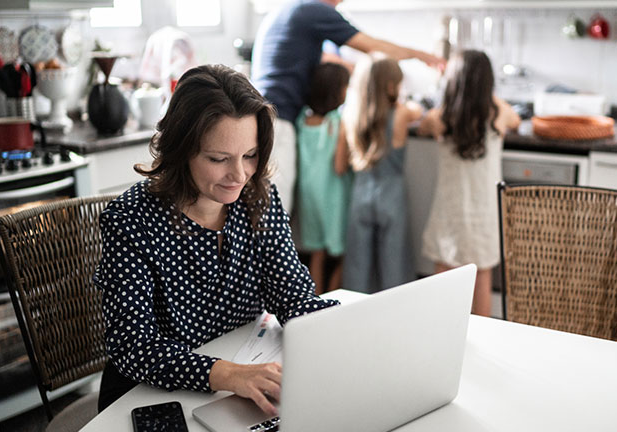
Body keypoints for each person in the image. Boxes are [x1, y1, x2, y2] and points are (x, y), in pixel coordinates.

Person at [93, 64, 339, 417]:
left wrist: (349, 333)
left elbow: (293, 296)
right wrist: (227, 374)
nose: (239, 175)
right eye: (218, 159)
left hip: (239, 379)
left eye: (250, 155)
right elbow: (134, 346)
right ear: (181, 151)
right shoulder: (131, 220)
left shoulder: (259, 199)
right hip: (150, 395)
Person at [251, 0, 444, 214]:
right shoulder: (315, 10)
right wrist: (424, 56)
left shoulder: (291, 9)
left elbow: (320, 59)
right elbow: (375, 48)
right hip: (278, 120)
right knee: (274, 210)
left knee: (264, 204)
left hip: (261, 116)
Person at [418, 50, 521, 316]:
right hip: (483, 212)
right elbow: (517, 120)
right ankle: (480, 337)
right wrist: (485, 98)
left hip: (449, 209)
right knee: (481, 275)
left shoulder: (440, 118)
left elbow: (422, 127)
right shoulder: (498, 115)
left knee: (443, 275)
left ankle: (439, 329)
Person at [341, 53, 422, 293]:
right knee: (394, 268)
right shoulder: (401, 114)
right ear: (390, 86)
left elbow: (341, 162)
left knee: (357, 268)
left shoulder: (351, 115)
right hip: (391, 198)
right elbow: (419, 111)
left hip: (361, 197)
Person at [296, 62, 352, 294]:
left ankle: (315, 299)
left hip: (307, 195)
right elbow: (340, 166)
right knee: (341, 253)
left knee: (316, 252)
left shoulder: (301, 120)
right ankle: (333, 299)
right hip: (333, 197)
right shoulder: (337, 122)